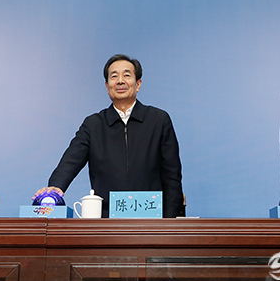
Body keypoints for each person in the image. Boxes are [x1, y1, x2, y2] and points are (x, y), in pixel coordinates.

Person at [34, 54, 183, 218]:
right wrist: (55, 188)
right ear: (107, 86)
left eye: (127, 75)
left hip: (151, 219)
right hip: (106, 221)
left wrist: (170, 222)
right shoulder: (93, 124)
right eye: (114, 76)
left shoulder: (158, 120)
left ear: (138, 84)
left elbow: (172, 176)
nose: (120, 81)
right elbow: (70, 161)